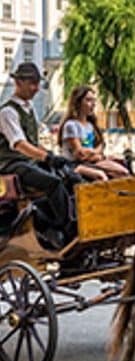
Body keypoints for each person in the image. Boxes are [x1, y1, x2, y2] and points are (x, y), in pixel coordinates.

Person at [0, 63, 74, 247]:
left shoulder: (29, 109)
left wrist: (52, 156)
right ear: (18, 82)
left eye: (37, 83)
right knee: (53, 182)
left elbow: (33, 142)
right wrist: (47, 158)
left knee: (69, 177)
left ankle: (51, 221)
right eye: (32, 83)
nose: (36, 88)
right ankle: (66, 229)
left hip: (28, 162)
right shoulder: (7, 112)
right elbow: (19, 144)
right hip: (12, 165)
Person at [59, 85, 128, 179]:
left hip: (91, 162)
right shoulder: (71, 125)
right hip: (75, 165)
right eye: (88, 100)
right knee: (101, 176)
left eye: (94, 101)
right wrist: (97, 154)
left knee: (123, 172)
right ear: (78, 102)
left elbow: (100, 145)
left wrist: (96, 155)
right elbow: (80, 153)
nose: (93, 104)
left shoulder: (90, 126)